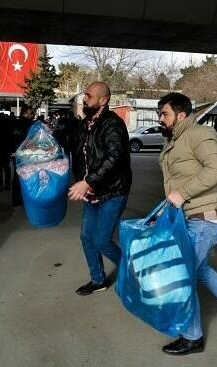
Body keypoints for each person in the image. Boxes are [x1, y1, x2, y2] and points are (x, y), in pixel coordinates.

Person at [158, 92, 217, 356]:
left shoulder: (199, 134)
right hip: (188, 218)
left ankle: (192, 337)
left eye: (164, 113)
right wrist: (168, 206)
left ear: (181, 114)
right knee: (200, 271)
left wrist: (183, 194)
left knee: (182, 276)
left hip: (204, 220)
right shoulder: (176, 140)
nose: (160, 119)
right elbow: (175, 183)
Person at [68, 81, 132, 296]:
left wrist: (88, 182)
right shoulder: (85, 124)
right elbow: (78, 152)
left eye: (88, 96)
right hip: (92, 193)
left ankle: (133, 271)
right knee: (87, 238)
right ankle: (98, 280)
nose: (84, 99)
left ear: (103, 101)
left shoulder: (113, 124)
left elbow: (114, 157)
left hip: (112, 192)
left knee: (102, 241)